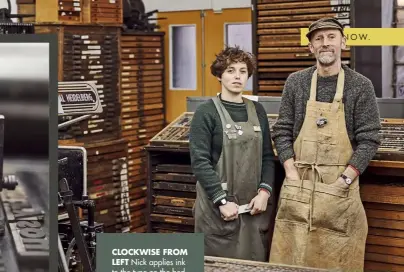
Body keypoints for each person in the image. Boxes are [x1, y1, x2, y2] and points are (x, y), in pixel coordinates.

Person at [269, 17, 381, 271]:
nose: (325, 43)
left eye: (331, 37)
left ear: (343, 41)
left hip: (339, 190)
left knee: (337, 260)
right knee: (290, 257)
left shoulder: (360, 86)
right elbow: (282, 130)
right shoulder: (295, 82)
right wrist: (291, 172)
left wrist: (344, 181)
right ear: (311, 47)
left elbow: (370, 138)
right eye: (318, 39)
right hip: (298, 185)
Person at [189, 46, 275, 261]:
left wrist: (265, 192)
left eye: (243, 71)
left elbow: (267, 157)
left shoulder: (258, 111)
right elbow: (200, 162)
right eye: (230, 70)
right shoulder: (205, 112)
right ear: (219, 75)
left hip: (253, 208)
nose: (237, 76)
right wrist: (221, 200)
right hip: (218, 210)